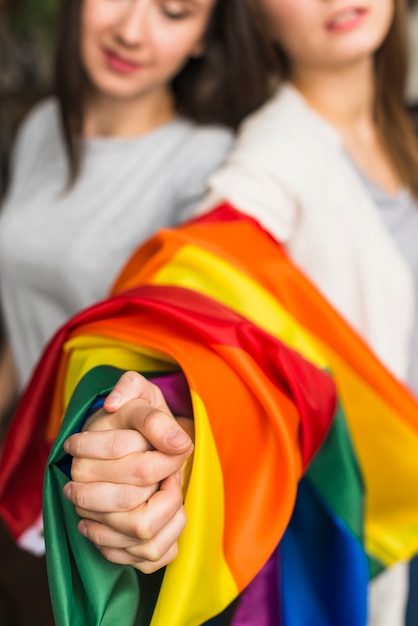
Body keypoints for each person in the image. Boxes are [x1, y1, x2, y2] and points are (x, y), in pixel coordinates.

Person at [58, 0, 418, 624]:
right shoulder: (270, 158)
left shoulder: (398, 131)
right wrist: (158, 425)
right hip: (369, 526)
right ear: (255, 16)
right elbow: (198, 298)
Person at [0, 0, 276, 623]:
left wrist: (159, 456)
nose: (130, 29)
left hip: (110, 493)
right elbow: (26, 310)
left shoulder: (209, 162)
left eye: (173, 12)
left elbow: (199, 351)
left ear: (206, 37)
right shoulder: (45, 126)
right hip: (23, 472)